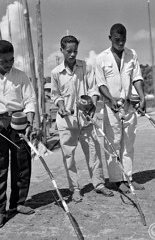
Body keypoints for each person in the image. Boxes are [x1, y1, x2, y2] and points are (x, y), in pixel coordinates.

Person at [0, 40, 36, 229]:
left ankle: (18, 203)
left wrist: (30, 122)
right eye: (4, 62)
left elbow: (30, 101)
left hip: (19, 122)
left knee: (22, 165)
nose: (9, 64)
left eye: (11, 60)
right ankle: (0, 211)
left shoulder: (21, 76)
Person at [51, 35, 114, 202]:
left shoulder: (85, 67)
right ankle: (75, 188)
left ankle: (99, 184)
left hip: (86, 119)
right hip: (66, 121)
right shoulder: (56, 72)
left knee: (94, 152)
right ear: (62, 50)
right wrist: (61, 106)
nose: (72, 55)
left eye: (75, 51)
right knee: (68, 156)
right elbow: (55, 95)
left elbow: (93, 89)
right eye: (69, 51)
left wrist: (92, 104)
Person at [95, 23, 146, 193]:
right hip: (111, 107)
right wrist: (111, 99)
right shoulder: (101, 58)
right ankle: (118, 180)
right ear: (110, 38)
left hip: (129, 105)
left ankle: (129, 177)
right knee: (114, 143)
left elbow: (137, 77)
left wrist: (142, 96)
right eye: (117, 40)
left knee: (129, 143)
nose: (121, 43)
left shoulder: (132, 54)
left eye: (123, 40)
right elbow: (101, 84)